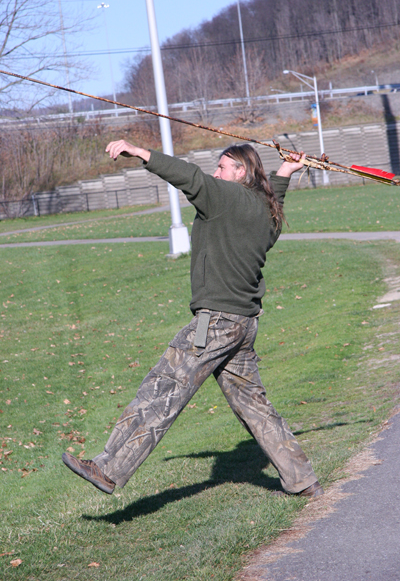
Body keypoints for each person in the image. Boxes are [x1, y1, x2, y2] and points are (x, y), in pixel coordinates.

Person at [62, 141, 323, 498]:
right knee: (255, 407)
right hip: (243, 324)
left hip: (214, 323)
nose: (216, 173)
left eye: (222, 167)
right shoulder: (267, 214)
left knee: (161, 389)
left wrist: (140, 152)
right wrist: (285, 173)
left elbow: (189, 177)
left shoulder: (225, 198)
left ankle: (108, 468)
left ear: (240, 173)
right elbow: (270, 200)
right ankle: (303, 479)